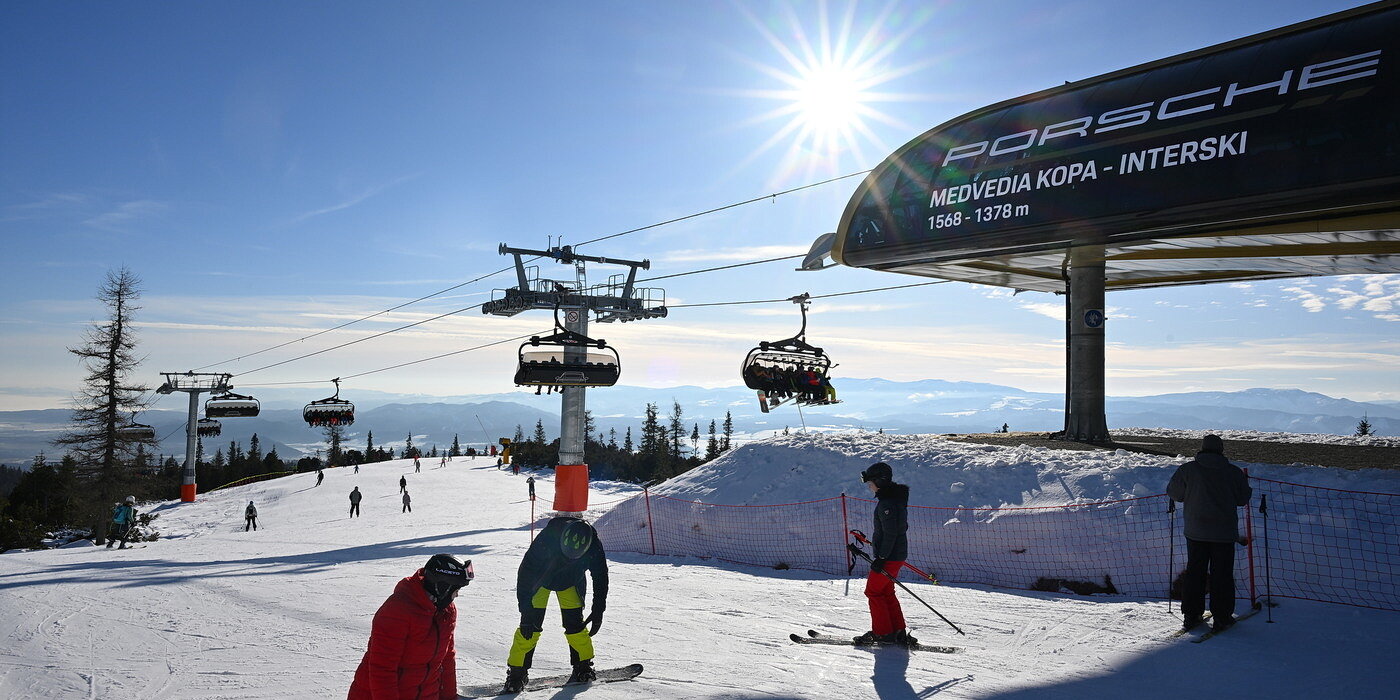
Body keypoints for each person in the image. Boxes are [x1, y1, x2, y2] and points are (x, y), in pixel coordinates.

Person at [503, 517, 609, 692]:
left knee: (575, 626)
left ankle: (583, 666)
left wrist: (598, 610)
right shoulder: (546, 540)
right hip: (540, 581)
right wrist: (526, 613)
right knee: (530, 628)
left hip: (571, 582)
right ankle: (516, 673)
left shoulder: (593, 546)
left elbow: (600, 578)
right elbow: (525, 577)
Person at [348, 554, 472, 700]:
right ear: (442, 587)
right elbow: (382, 670)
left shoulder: (446, 611)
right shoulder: (397, 611)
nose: (457, 595)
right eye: (455, 589)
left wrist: (449, 697)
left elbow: (446, 659)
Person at [1168, 434, 1252, 633]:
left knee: (1195, 572)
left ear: (1202, 449)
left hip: (1195, 532)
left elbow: (1175, 493)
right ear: (1221, 450)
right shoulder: (1233, 472)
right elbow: (1242, 499)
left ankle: (1191, 615)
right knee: (1222, 574)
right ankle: (1222, 617)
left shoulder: (1188, 470)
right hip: (1224, 533)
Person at [854, 462, 916, 646]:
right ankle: (897, 631)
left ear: (880, 481)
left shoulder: (887, 503)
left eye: (871, 482)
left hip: (889, 557)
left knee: (873, 591)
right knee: (886, 591)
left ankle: (882, 633)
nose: (869, 486)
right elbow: (900, 528)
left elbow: (891, 533)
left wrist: (881, 557)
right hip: (896, 555)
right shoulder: (894, 500)